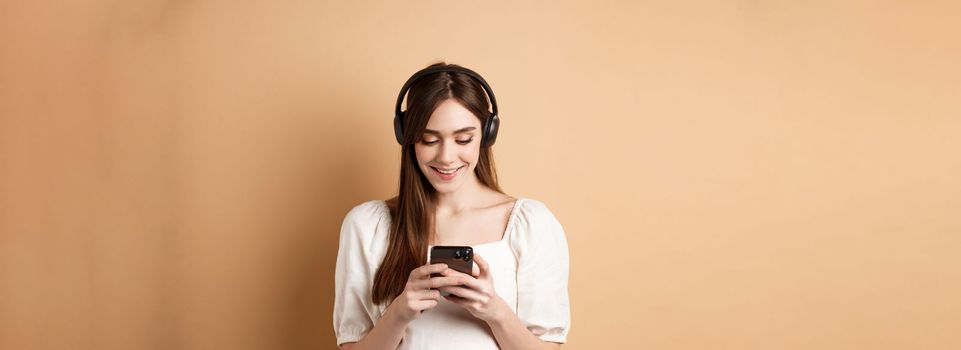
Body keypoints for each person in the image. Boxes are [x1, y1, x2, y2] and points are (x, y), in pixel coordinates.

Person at [333, 62, 570, 349]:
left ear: (487, 134)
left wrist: (495, 312)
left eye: (463, 139)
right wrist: (398, 314)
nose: (446, 157)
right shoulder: (367, 225)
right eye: (429, 139)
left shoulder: (531, 224)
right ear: (407, 138)